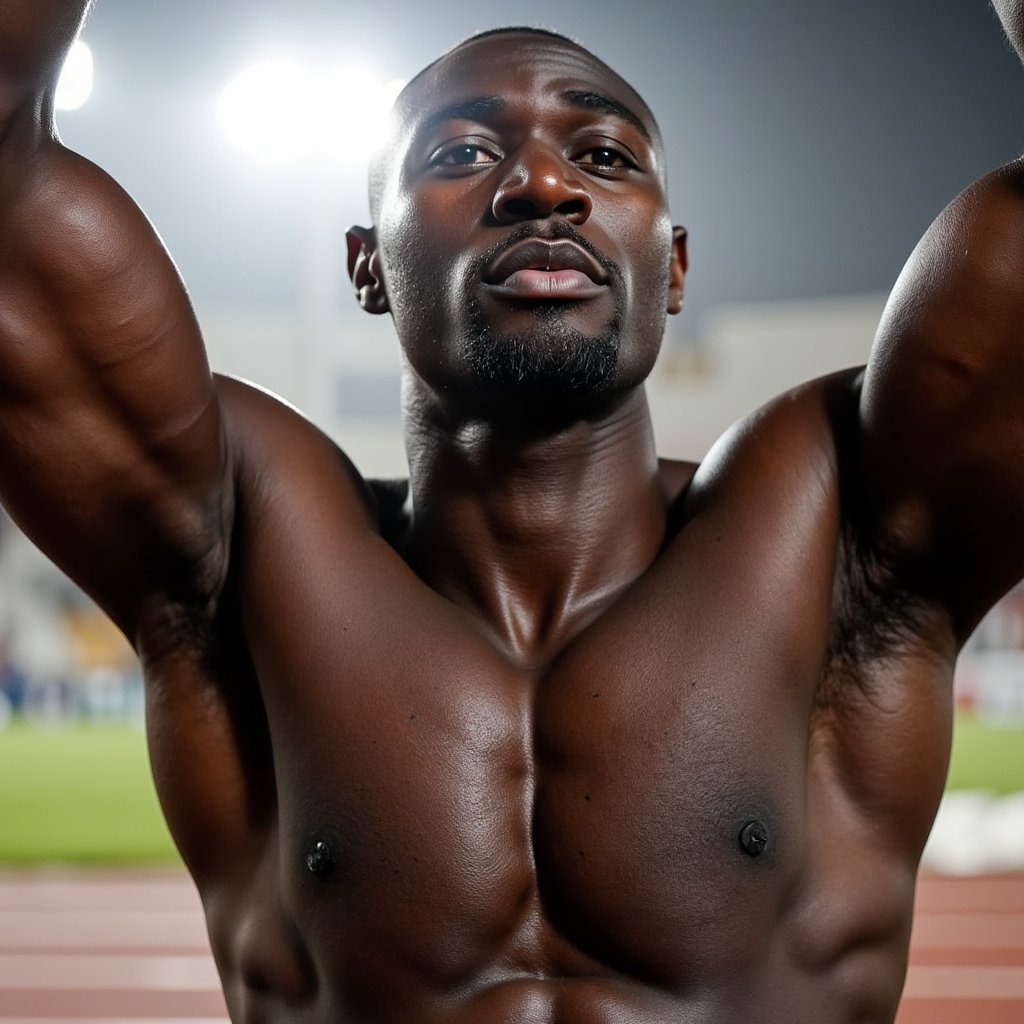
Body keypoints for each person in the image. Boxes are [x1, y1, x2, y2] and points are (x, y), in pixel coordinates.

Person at [1, 2, 1022, 1020]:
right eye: (465, 150)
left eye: (606, 156)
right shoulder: (246, 544)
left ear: (671, 265)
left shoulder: (837, 522)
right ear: (367, 264)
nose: (541, 184)